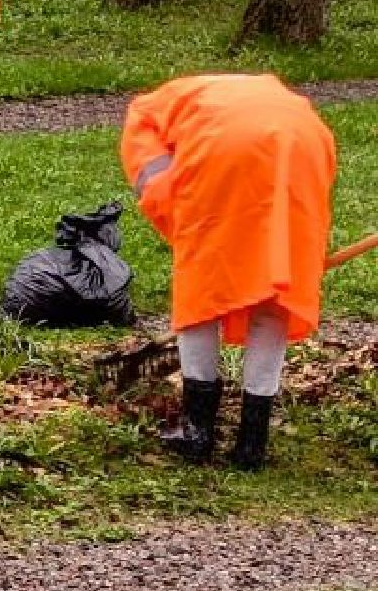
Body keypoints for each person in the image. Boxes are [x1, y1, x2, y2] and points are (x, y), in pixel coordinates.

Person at [121, 75, 337, 469]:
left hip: (225, 145)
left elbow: (160, 191)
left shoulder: (143, 121)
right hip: (304, 142)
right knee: (278, 285)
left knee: (201, 288)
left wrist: (195, 244)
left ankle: (196, 430)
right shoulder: (195, 99)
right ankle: (252, 442)